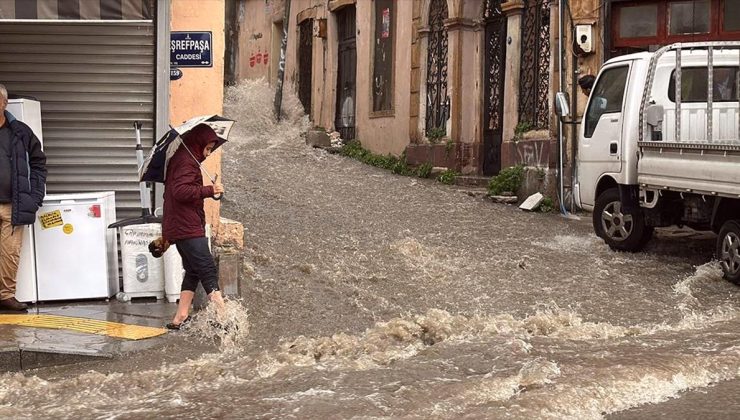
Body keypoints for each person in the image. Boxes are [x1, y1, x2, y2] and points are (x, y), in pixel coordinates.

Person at [163, 124, 225, 329]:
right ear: (197, 144)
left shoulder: (185, 161)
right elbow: (180, 192)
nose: (208, 154)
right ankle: (224, 316)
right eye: (207, 149)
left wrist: (209, 191)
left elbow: (185, 190)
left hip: (183, 225)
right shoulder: (185, 163)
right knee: (207, 268)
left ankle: (180, 316)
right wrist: (208, 190)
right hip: (186, 226)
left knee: (192, 270)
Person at [0, 84, 47, 312]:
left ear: (4, 103)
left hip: (14, 205)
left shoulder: (20, 131)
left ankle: (6, 296)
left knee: (10, 253)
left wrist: (34, 196)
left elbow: (39, 163)